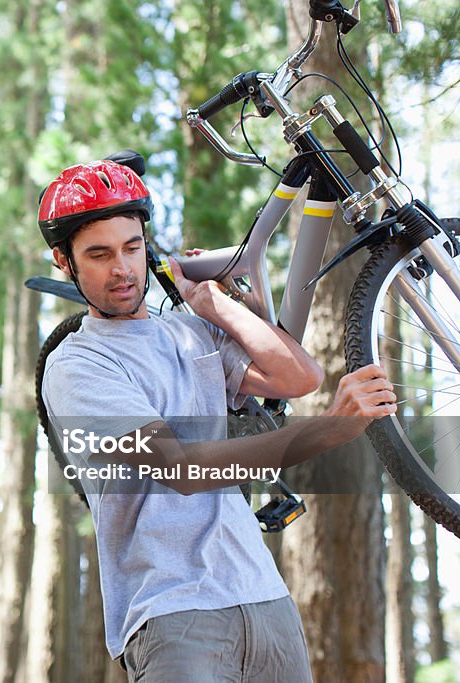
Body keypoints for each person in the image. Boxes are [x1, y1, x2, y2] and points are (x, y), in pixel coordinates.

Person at [38, 158, 396, 682]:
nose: (123, 268)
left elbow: (299, 377)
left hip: (267, 600)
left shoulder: (190, 332)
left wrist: (215, 306)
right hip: (173, 613)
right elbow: (179, 468)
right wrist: (327, 431)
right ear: (64, 261)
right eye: (99, 254)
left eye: (133, 248)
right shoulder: (78, 365)